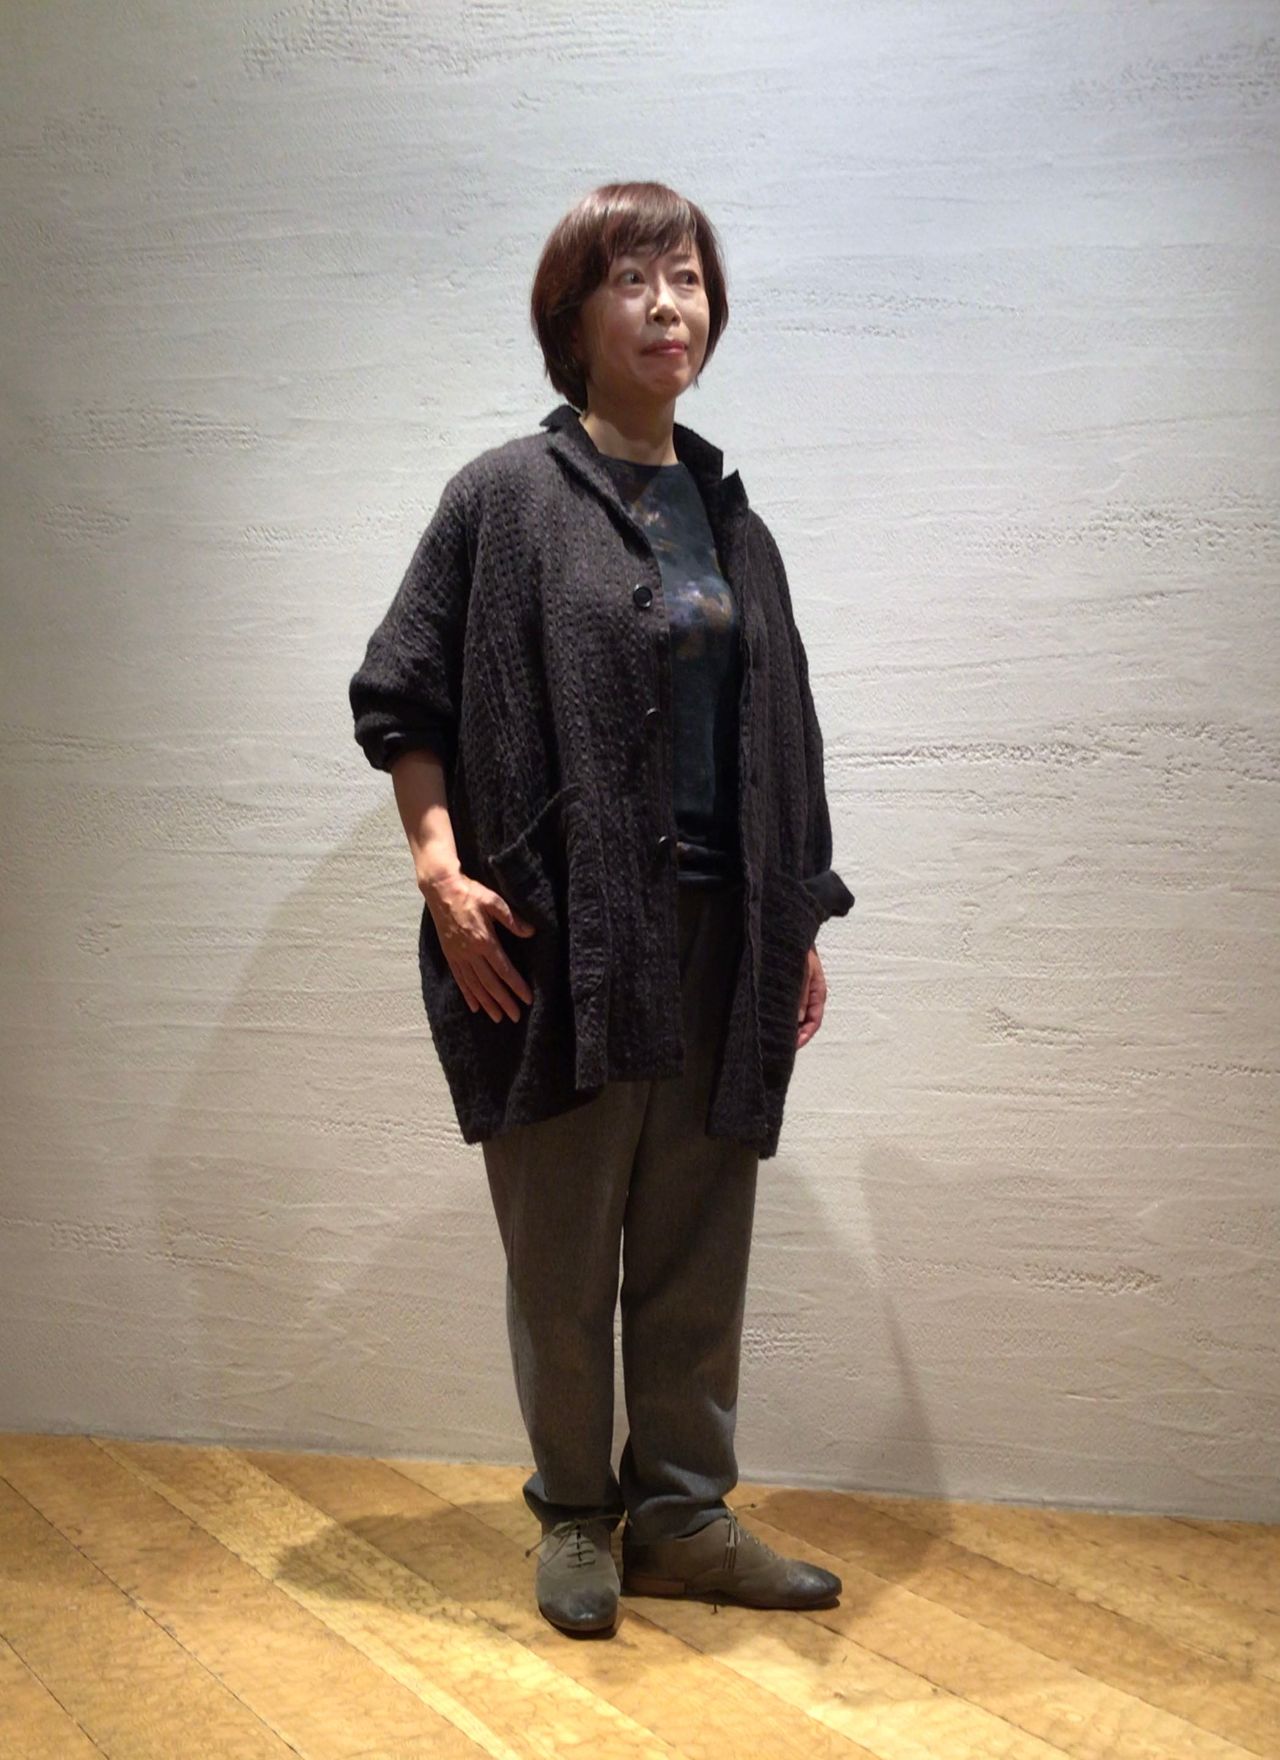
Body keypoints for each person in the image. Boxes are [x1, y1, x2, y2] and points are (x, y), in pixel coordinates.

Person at [349, 181, 853, 1636]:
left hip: (722, 936)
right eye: (633, 279)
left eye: (686, 277)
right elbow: (404, 695)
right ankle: (576, 1512)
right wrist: (441, 872)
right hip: (557, 941)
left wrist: (798, 918)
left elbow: (785, 734)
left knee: (698, 1246)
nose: (667, 305)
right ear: (572, 316)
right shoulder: (504, 498)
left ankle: (682, 1517)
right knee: (564, 1248)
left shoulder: (735, 525)